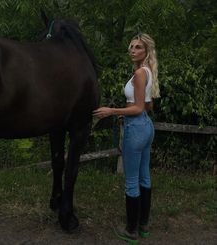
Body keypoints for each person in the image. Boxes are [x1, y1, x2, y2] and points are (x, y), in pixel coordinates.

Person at [93, 33, 160, 244]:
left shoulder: (140, 73)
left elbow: (138, 107)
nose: (132, 50)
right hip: (147, 126)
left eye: (138, 47)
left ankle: (131, 231)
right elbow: (147, 106)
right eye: (131, 46)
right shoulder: (148, 71)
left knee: (132, 181)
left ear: (146, 51)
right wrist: (128, 110)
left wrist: (111, 111)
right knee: (144, 177)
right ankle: (143, 225)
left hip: (136, 129)